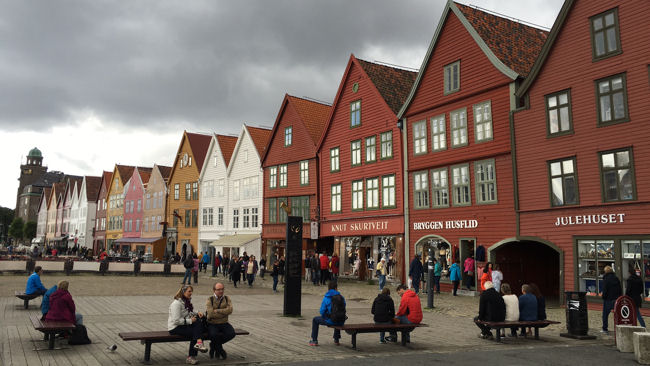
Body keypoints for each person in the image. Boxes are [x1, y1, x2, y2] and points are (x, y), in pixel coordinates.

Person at [168, 285, 207, 364]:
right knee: (196, 332)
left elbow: (189, 311)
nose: (191, 293)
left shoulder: (186, 301)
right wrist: (190, 321)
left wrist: (197, 312)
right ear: (183, 292)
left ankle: (198, 345)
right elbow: (176, 321)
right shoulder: (176, 304)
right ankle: (193, 353)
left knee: (198, 325)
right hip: (175, 327)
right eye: (189, 291)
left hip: (183, 325)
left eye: (191, 291)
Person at [309, 280, 346, 346]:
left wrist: (325, 317)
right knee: (337, 317)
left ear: (328, 288)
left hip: (331, 321)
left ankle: (314, 340)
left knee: (315, 320)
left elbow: (322, 311)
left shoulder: (326, 298)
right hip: (341, 321)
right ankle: (336, 340)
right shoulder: (341, 297)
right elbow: (343, 307)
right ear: (336, 288)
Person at [206, 282, 236, 360]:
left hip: (224, 323)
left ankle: (213, 345)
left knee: (231, 333)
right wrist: (224, 313)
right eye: (218, 289)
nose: (221, 291)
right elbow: (211, 314)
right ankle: (221, 350)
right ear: (214, 290)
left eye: (222, 289)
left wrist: (218, 310)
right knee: (213, 334)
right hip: (212, 323)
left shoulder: (227, 298)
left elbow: (230, 310)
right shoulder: (210, 299)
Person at [601, 265, 622, 334]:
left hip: (608, 299)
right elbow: (620, 289)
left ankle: (605, 328)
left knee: (605, 315)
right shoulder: (616, 278)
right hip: (616, 299)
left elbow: (605, 290)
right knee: (617, 314)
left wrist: (603, 297)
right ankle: (619, 328)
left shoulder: (606, 279)